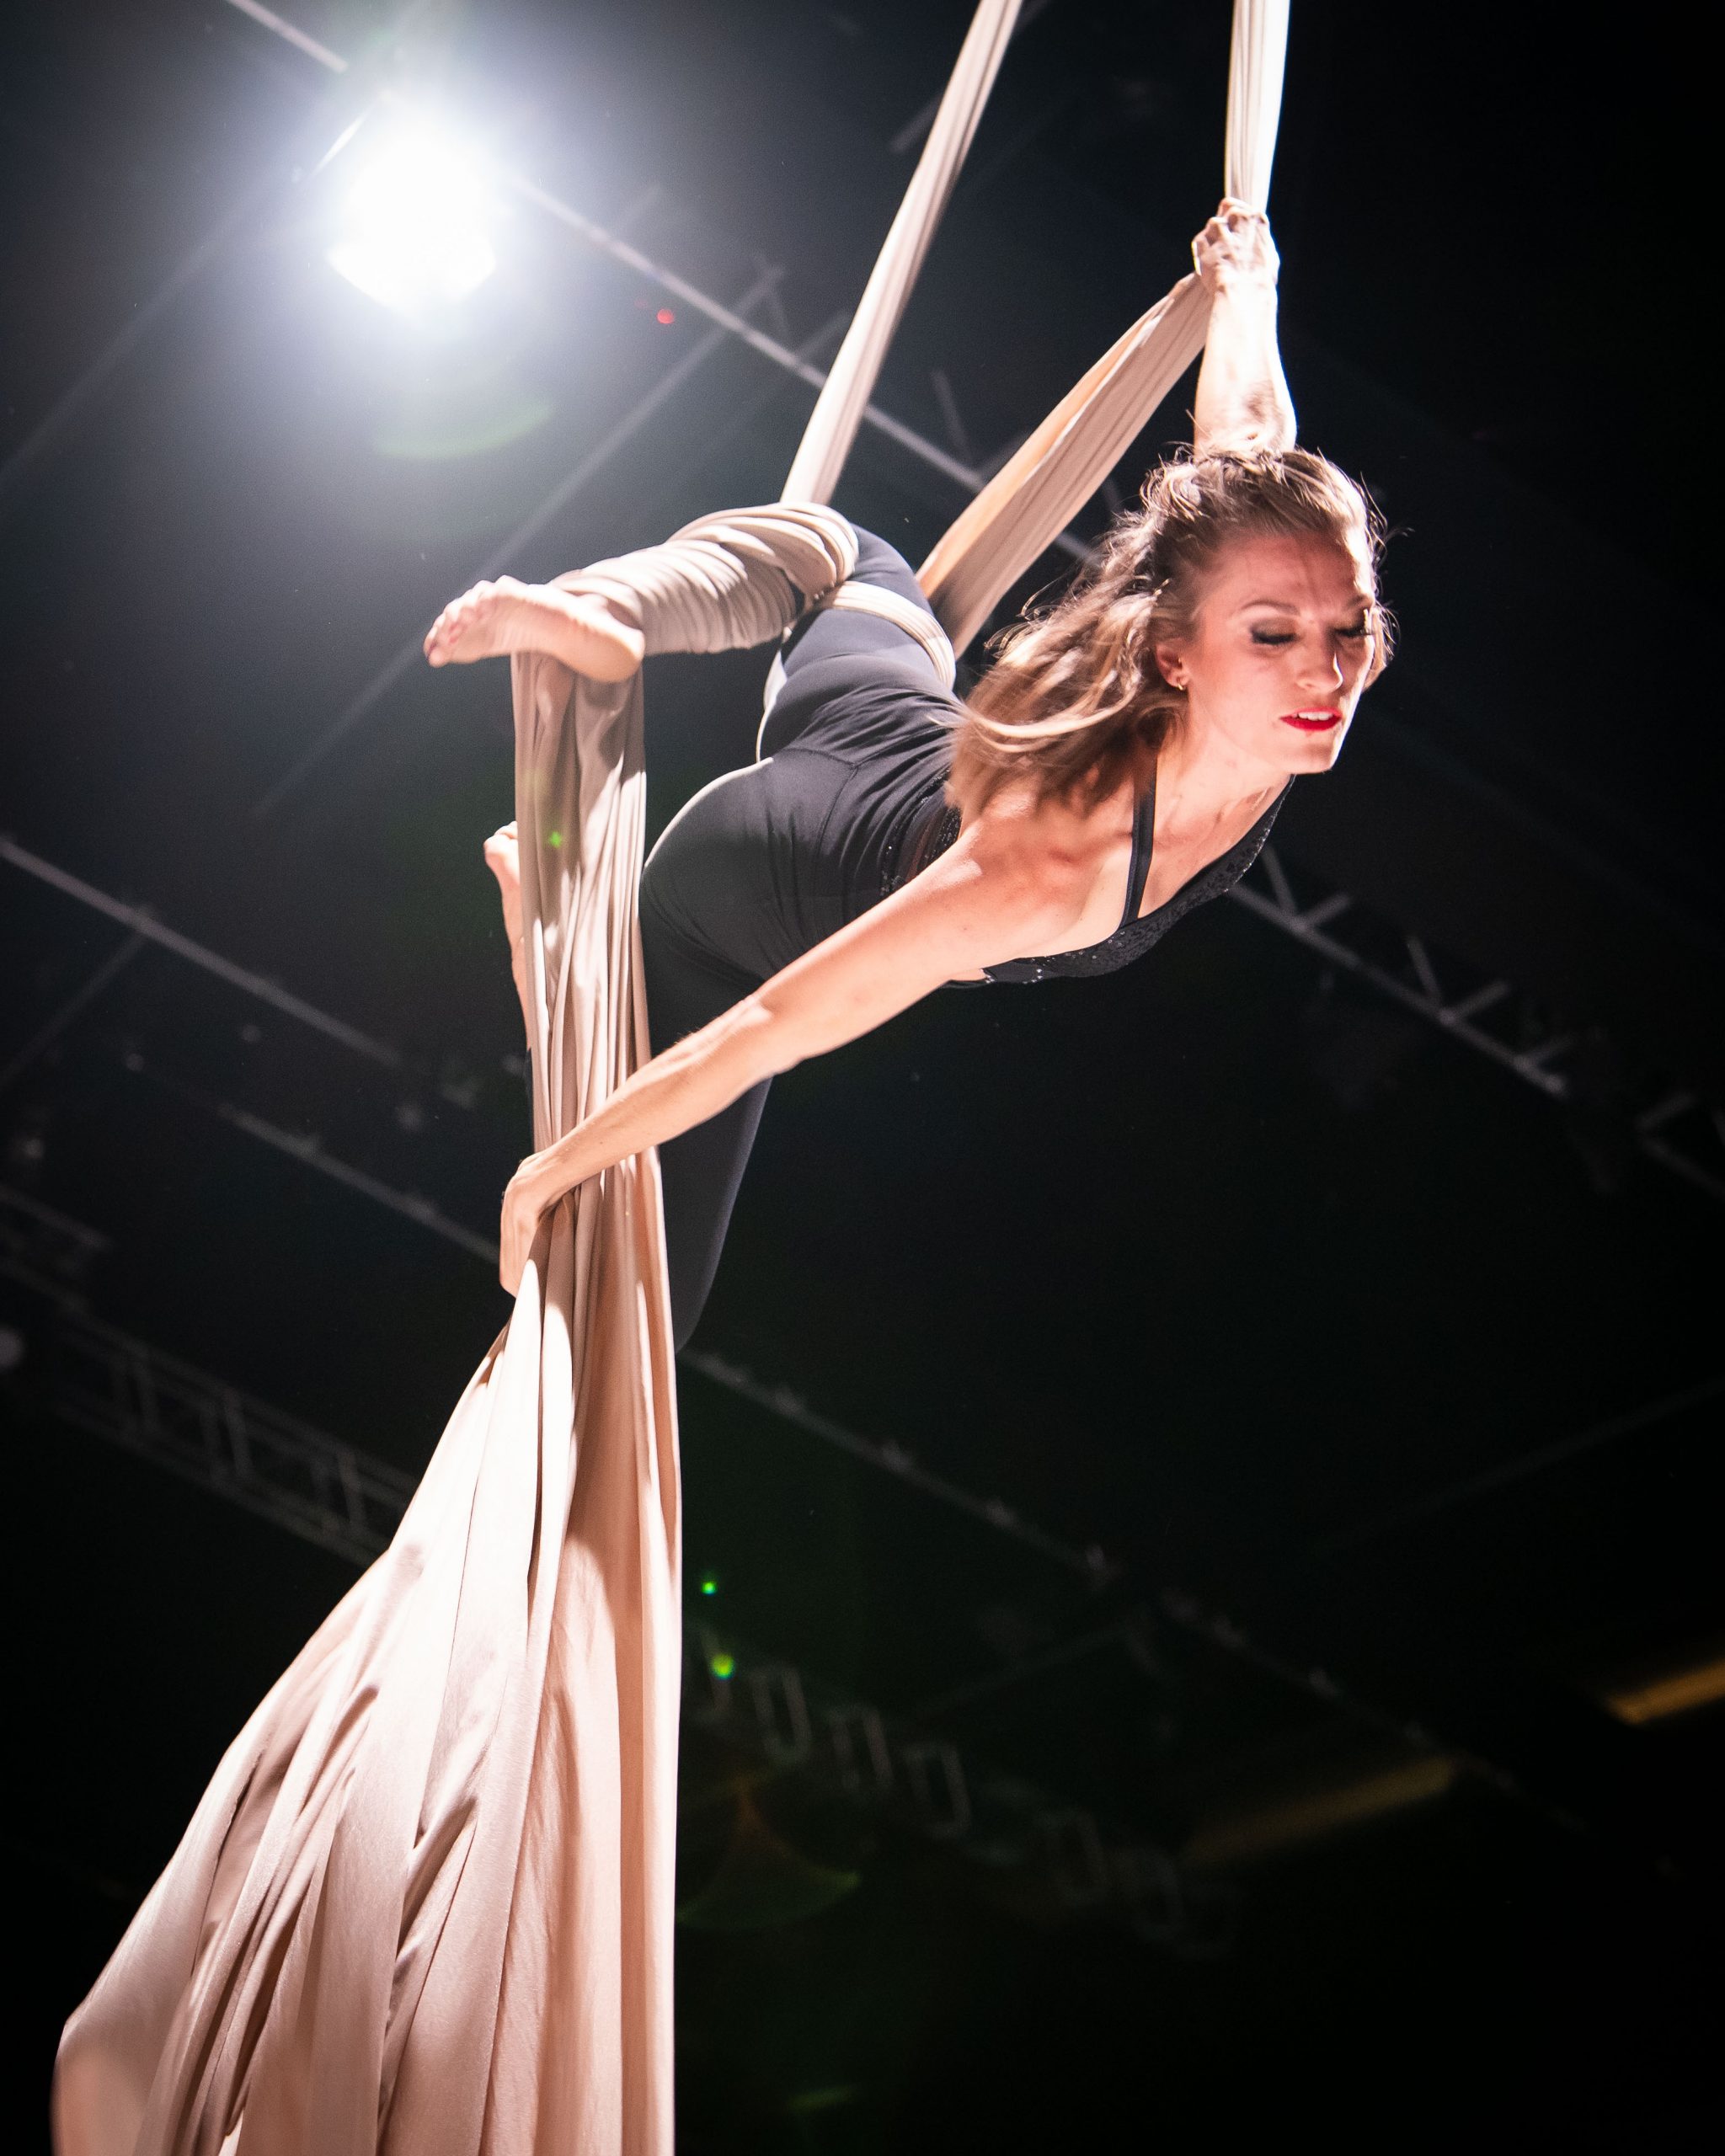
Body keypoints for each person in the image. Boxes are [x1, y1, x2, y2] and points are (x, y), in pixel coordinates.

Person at [426, 202, 1391, 1343]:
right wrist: (547, 1171)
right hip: (744, 890)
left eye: (1354, 625)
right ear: (1173, 655)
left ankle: (569, 849)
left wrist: (1249, 285)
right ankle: (605, 623)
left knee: (855, 568)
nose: (1326, 673)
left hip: (892, 723)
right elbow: (774, 1025)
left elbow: (1245, 435)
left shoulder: (1260, 661)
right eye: (1275, 637)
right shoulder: (1049, 866)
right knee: (628, 1330)